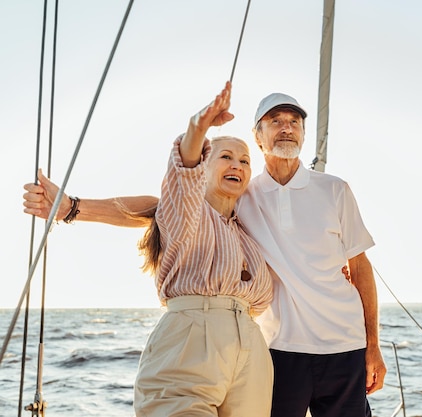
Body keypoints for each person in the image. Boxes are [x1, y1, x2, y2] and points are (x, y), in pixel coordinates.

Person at [23, 90, 386, 417]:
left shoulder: (311, 196)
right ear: (259, 137)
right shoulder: (225, 199)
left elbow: (359, 267)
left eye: (294, 122)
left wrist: (373, 344)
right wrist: (71, 207)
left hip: (304, 351)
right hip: (254, 349)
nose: (286, 128)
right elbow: (161, 203)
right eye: (275, 121)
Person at [56, 81, 274, 417]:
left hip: (250, 349)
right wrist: (197, 129)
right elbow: (182, 175)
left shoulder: (249, 230)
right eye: (226, 157)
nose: (238, 166)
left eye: (245, 161)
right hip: (191, 339)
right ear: (205, 166)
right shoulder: (184, 211)